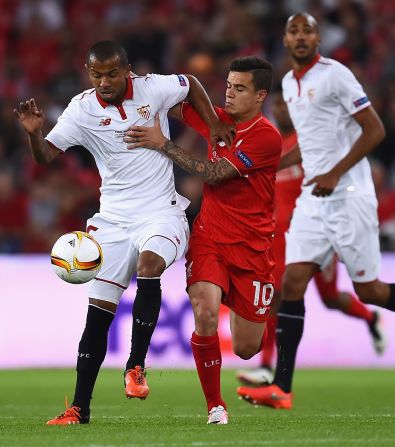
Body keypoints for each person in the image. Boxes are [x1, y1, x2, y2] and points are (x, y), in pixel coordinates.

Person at [236, 13, 395, 410]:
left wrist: (335, 171)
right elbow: (309, 146)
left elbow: (375, 129)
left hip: (350, 193)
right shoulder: (288, 84)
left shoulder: (336, 75)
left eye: (308, 31)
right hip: (314, 198)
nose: (301, 37)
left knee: (370, 290)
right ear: (284, 40)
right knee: (292, 281)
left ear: (318, 37)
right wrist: (271, 166)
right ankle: (282, 388)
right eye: (294, 31)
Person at [14, 40, 234, 425]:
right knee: (97, 316)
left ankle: (136, 365)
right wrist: (35, 133)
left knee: (150, 265)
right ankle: (79, 409)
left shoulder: (153, 88)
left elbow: (192, 83)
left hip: (161, 213)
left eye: (112, 73)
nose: (104, 81)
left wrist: (214, 123)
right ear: (88, 72)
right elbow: (46, 155)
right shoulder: (81, 109)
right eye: (96, 74)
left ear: (126, 70)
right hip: (112, 221)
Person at [125, 56, 282, 424]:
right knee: (206, 314)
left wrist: (162, 144)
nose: (229, 94)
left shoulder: (266, 137)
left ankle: (254, 316)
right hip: (209, 237)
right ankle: (216, 406)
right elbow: (177, 101)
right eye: (228, 85)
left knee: (245, 348)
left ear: (260, 96)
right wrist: (132, 83)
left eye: (239, 88)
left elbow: (212, 174)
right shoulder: (218, 119)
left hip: (253, 247)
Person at [236, 91, 386, 387]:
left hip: (317, 231)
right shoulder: (271, 145)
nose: (280, 109)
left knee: (330, 299)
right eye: (276, 104)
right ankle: (268, 367)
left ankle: (370, 319)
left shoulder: (312, 145)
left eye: (286, 104)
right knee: (275, 295)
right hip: (280, 239)